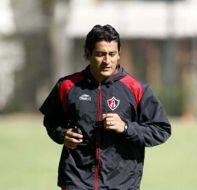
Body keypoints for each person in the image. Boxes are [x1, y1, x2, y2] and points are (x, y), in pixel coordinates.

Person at [39, 24, 171, 190]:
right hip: (76, 181)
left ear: (119, 54)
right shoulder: (67, 86)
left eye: (112, 54)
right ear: (87, 54)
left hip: (122, 184)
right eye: (100, 54)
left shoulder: (136, 89)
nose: (107, 61)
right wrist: (62, 134)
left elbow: (161, 130)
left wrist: (125, 127)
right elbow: (51, 119)